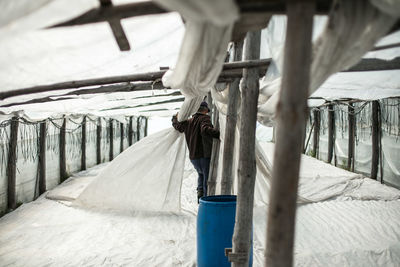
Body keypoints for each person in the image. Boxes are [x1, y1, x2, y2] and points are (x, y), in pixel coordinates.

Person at [172, 101, 220, 202]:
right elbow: (205, 129)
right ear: (205, 110)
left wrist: (174, 118)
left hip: (194, 157)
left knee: (201, 174)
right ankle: (206, 201)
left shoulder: (189, 122)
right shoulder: (205, 118)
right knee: (207, 179)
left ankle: (200, 195)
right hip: (204, 155)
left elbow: (178, 127)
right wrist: (220, 134)